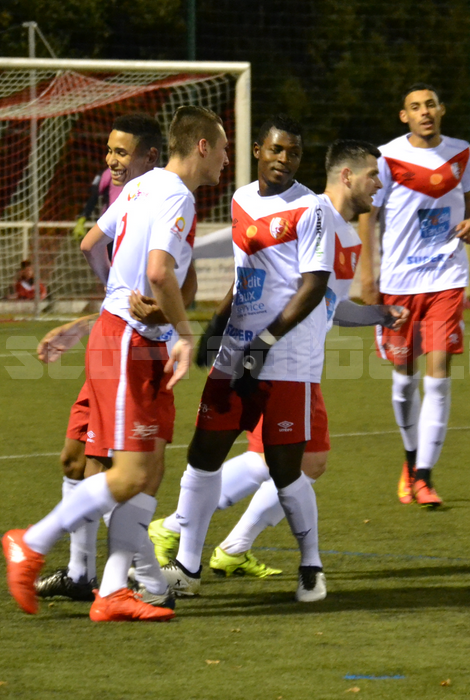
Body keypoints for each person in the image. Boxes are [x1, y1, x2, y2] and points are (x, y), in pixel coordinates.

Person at [1, 105, 229, 622]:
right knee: (128, 474)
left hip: (125, 336)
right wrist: (184, 334)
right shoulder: (175, 196)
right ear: (200, 147)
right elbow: (158, 273)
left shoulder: (139, 186)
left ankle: (112, 591)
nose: (225, 158)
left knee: (140, 471)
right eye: (221, 147)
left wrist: (113, 295)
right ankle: (31, 542)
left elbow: (91, 244)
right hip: (130, 343)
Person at [149, 140, 407, 580]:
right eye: (373, 177)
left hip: (294, 361)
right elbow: (261, 280)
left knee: (286, 459)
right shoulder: (307, 214)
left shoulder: (345, 235)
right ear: (347, 176)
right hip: (275, 360)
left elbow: (328, 306)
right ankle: (201, 536)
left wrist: (379, 314)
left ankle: (198, 536)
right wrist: (224, 328)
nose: (379, 187)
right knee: (305, 461)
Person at [156, 115, 334, 603]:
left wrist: (269, 341)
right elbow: (245, 272)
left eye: (293, 153)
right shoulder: (239, 200)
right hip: (235, 353)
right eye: (276, 150)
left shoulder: (312, 207)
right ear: (258, 149)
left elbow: (314, 284)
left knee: (283, 469)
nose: (283, 159)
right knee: (202, 455)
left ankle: (312, 566)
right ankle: (187, 568)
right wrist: (218, 325)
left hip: (284, 359)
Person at [356, 83, 470, 509]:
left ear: (442, 110)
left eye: (430, 104)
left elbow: (468, 197)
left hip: (446, 277)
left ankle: (425, 477)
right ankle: (410, 463)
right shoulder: (387, 156)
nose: (424, 111)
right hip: (398, 283)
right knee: (403, 380)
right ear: (403, 115)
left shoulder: (462, 152)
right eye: (415, 107)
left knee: (439, 374)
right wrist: (369, 277)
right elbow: (368, 215)